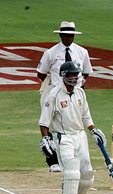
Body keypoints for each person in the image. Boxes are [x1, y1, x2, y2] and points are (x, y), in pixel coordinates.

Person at [38, 61, 106, 194]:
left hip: (80, 136)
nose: (75, 78)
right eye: (71, 75)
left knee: (88, 174)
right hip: (64, 137)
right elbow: (44, 122)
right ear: (63, 76)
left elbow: (86, 116)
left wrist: (93, 130)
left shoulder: (80, 93)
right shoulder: (53, 95)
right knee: (72, 172)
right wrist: (46, 138)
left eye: (76, 75)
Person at [36, 21, 92, 173]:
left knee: (73, 125)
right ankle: (52, 160)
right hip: (55, 91)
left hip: (75, 93)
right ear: (60, 35)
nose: (68, 38)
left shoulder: (82, 52)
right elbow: (41, 73)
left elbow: (85, 72)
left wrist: (75, 85)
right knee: (52, 126)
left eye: (71, 35)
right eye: (66, 35)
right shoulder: (51, 53)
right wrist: (57, 86)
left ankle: (73, 156)